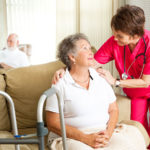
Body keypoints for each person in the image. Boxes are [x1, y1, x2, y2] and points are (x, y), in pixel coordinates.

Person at [52, 5, 150, 137]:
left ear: (135, 36)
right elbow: (90, 63)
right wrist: (65, 68)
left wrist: (115, 82)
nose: (115, 38)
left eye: (120, 36)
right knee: (139, 132)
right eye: (114, 33)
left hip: (143, 85)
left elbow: (145, 82)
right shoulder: (115, 42)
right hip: (137, 93)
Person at [46, 33, 146, 150]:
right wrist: (85, 138)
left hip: (102, 132)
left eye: (90, 47)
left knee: (129, 145)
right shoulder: (60, 82)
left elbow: (113, 109)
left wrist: (108, 133)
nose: (91, 52)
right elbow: (52, 123)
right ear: (72, 57)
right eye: (85, 48)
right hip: (72, 137)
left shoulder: (100, 77)